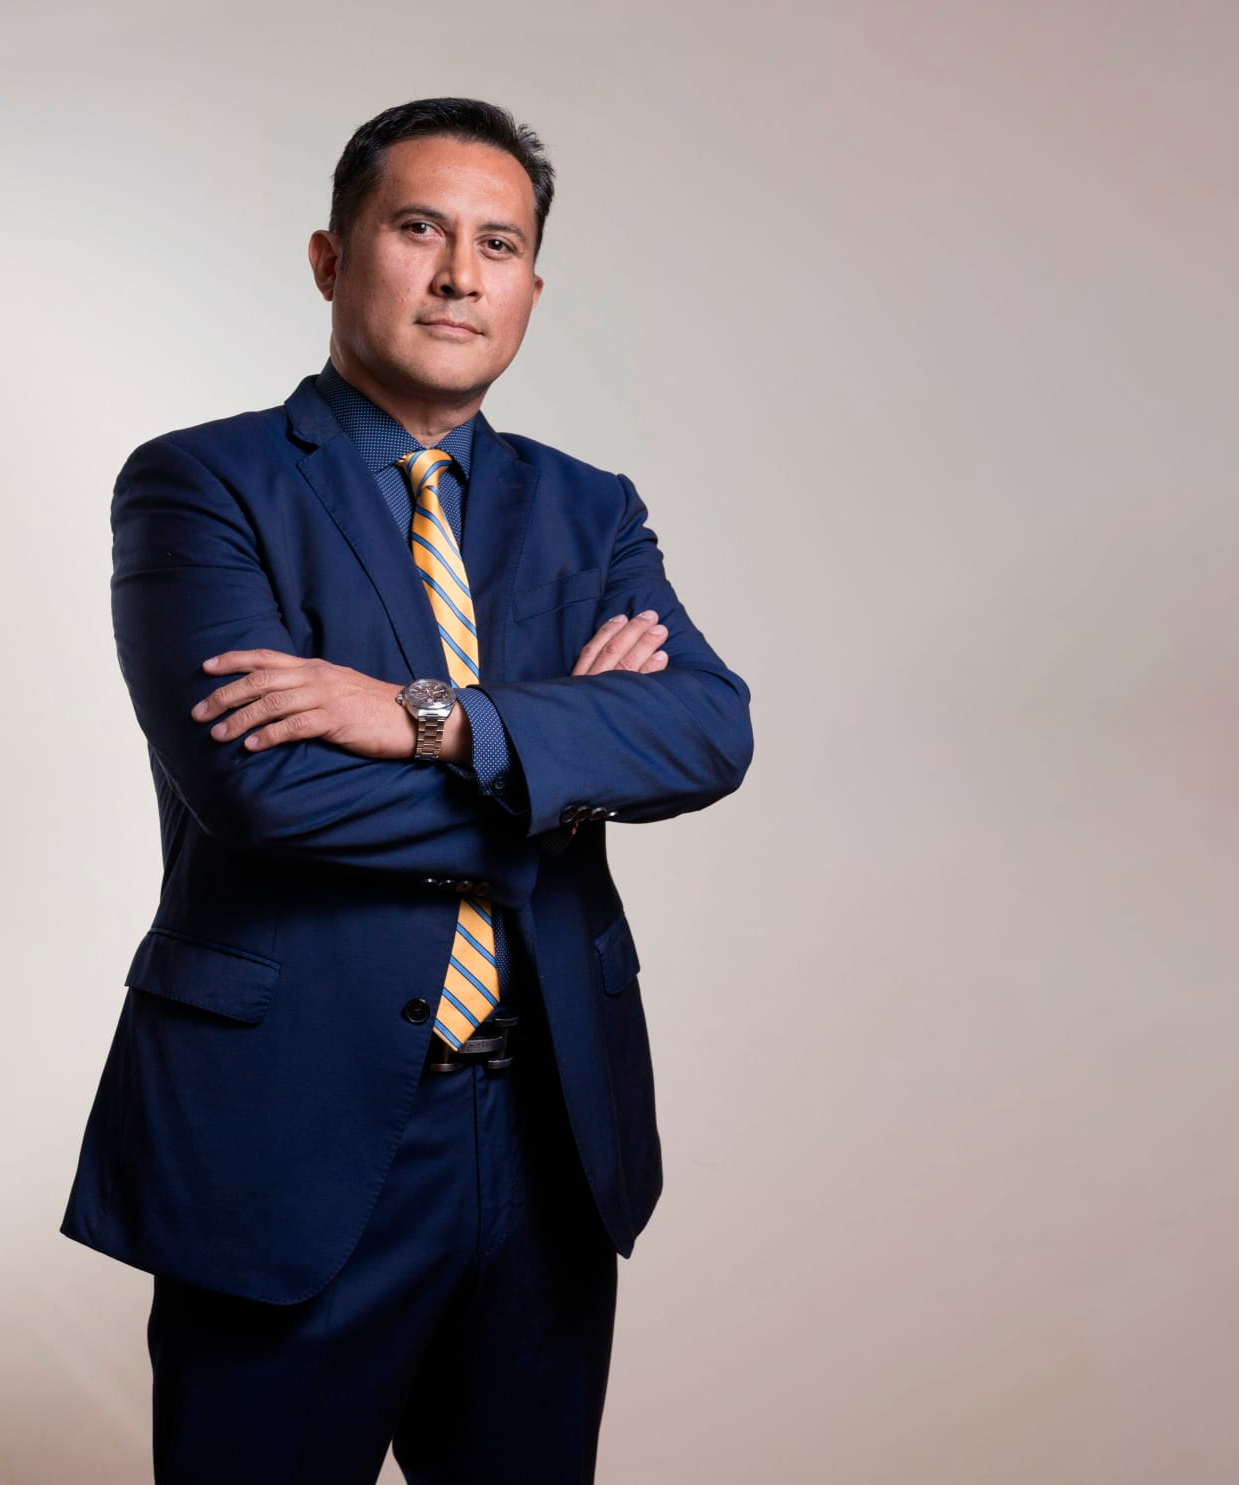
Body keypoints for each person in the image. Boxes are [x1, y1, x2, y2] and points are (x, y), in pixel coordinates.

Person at [59, 96, 754, 1484]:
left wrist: (424, 719)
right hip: (288, 1130)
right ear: (332, 257)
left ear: (533, 288)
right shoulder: (203, 485)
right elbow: (269, 794)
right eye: (419, 229)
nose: (459, 276)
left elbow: (704, 731)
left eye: (499, 245)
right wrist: (563, 757)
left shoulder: (590, 509)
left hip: (551, 1131)